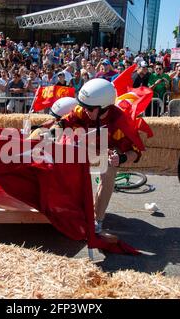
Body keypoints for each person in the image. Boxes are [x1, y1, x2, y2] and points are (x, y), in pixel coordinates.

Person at [56, 79, 141, 236]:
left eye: (89, 108)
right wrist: (53, 130)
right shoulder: (83, 110)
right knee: (65, 156)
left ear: (103, 108)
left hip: (108, 151)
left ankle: (98, 219)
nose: (84, 110)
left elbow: (135, 152)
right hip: (88, 145)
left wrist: (120, 158)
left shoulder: (120, 122)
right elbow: (64, 122)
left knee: (108, 169)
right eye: (83, 106)